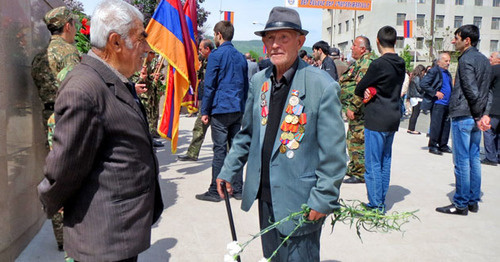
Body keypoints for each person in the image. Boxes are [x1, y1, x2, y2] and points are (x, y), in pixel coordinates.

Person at [215, 7, 346, 261]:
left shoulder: (322, 86)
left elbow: (334, 153)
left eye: (283, 38)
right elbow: (247, 133)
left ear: (300, 41)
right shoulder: (260, 81)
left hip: (301, 201)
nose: (275, 44)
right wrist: (228, 169)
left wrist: (324, 196)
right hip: (266, 197)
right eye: (270, 38)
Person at [37, 1, 164, 260]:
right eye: (141, 38)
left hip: (120, 233)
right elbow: (63, 169)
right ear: (115, 42)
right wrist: (51, 201)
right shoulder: (85, 89)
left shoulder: (113, 80)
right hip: (103, 239)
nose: (146, 48)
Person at [31, 6, 80, 252]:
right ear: (67, 26)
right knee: (73, 173)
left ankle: (61, 237)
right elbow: (77, 89)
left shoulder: (39, 57)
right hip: (66, 117)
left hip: (47, 116)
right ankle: (76, 234)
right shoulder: (69, 53)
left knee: (55, 174)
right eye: (75, 23)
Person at [436, 24, 491, 215]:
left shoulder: (466, 60)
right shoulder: (484, 60)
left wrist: (478, 115)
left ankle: (460, 203)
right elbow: (488, 91)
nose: (453, 41)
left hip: (465, 116)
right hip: (475, 116)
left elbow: (471, 90)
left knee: (462, 161)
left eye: (456, 38)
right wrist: (484, 114)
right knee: (474, 159)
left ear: (467, 40)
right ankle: (472, 200)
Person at [354, 26, 406, 211]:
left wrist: (371, 89)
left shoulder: (378, 64)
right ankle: (380, 200)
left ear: (377, 41)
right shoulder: (401, 63)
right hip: (393, 115)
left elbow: (360, 88)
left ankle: (375, 204)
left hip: (377, 118)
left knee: (373, 163)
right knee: (385, 160)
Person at [196, 21, 249, 202]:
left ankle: (215, 190)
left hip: (220, 109)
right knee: (236, 149)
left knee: (219, 150)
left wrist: (205, 110)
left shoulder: (216, 56)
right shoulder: (241, 57)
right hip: (237, 108)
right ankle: (238, 188)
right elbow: (245, 85)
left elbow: (210, 85)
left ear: (219, 35)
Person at [339, 35, 376, 184]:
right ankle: (354, 167)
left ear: (362, 48)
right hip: (356, 110)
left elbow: (362, 87)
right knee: (352, 138)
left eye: (354, 45)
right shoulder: (360, 62)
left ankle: (360, 173)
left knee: (357, 140)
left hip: (360, 111)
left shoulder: (366, 62)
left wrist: (353, 107)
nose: (351, 48)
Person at [178, 39, 214, 161]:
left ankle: (230, 156)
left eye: (200, 49)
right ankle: (192, 153)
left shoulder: (215, 61)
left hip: (214, 101)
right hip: (205, 99)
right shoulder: (204, 61)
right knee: (199, 127)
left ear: (207, 49)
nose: (199, 51)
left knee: (220, 131)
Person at [420, 53, 453, 155]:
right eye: (446, 61)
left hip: (447, 103)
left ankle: (443, 145)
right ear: (439, 61)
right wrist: (434, 93)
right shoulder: (434, 71)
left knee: (446, 125)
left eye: (449, 61)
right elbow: (423, 83)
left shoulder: (447, 73)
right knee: (436, 125)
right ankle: (433, 145)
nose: (448, 63)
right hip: (438, 103)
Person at [481, 52, 500, 166]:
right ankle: (498, 154)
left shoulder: (493, 70)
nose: (489, 58)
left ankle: (490, 157)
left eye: (492, 57)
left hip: (494, 107)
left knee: (489, 130)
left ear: (498, 60)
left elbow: (486, 86)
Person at [406, 64, 426, 135]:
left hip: (413, 97)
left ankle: (410, 128)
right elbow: (419, 88)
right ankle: (412, 129)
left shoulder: (413, 77)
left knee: (413, 114)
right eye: (424, 71)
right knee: (415, 114)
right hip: (417, 97)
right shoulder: (417, 78)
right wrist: (425, 90)